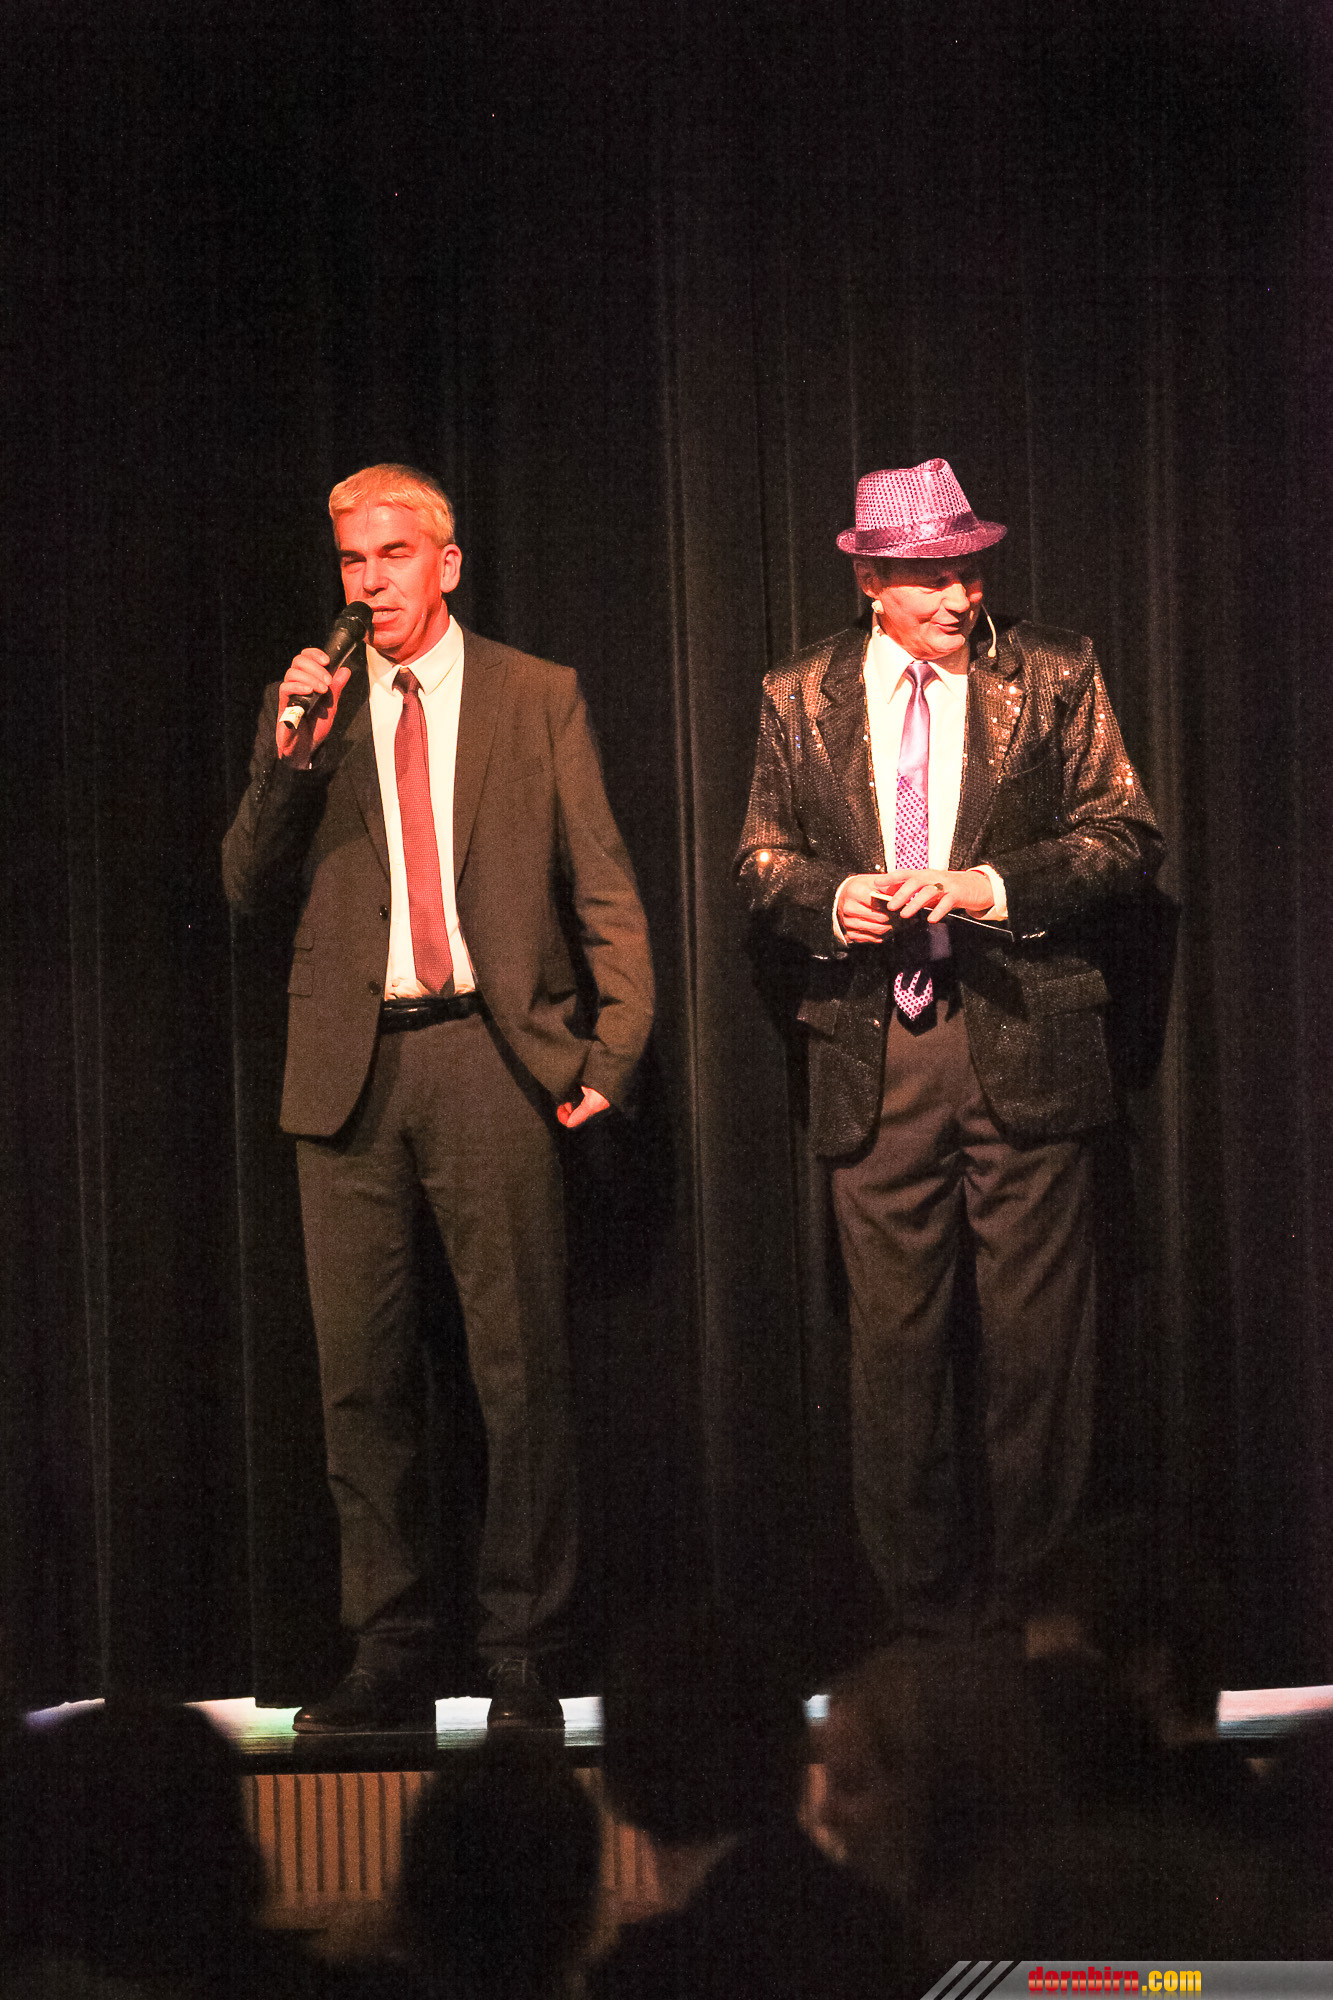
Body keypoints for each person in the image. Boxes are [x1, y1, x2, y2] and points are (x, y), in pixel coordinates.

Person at [223, 463, 654, 1732]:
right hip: (348, 1069)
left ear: (447, 563)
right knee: (359, 1381)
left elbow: (604, 885)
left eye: (394, 554)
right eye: (352, 560)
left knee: (518, 1372)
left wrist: (612, 1054)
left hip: (489, 1057)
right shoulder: (314, 703)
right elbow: (246, 881)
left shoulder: (533, 693)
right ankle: (389, 1649)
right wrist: (293, 751)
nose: (370, 582)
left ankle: (523, 1650)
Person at [735, 457, 1164, 1638]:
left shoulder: (1055, 672)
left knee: (1041, 1359)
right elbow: (760, 863)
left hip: (1021, 1031)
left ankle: (1039, 1631)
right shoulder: (798, 693)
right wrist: (834, 898)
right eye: (930, 577)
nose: (960, 596)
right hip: (877, 1050)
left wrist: (984, 886)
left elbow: (1125, 835)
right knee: (894, 1363)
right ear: (870, 580)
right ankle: (922, 1637)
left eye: (970, 571)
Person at [589, 1614, 923, 1999]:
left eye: (851, 1782)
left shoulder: (644, 1977)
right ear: (797, 1763)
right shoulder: (904, 1943)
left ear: (616, 1788)